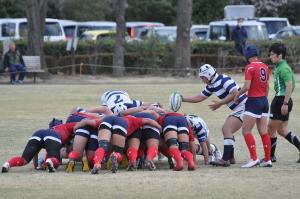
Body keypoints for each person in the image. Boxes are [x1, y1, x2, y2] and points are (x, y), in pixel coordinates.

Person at [181, 64, 247, 166]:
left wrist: (220, 103)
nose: (202, 80)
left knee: (226, 129)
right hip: (239, 108)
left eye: (202, 77)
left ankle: (225, 159)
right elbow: (199, 98)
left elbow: (235, 92)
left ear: (208, 75)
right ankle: (230, 157)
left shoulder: (223, 79)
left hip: (244, 106)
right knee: (228, 130)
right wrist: (182, 99)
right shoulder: (212, 85)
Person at [234, 44, 272, 168]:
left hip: (254, 101)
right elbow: (267, 86)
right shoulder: (265, 66)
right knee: (263, 131)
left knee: (246, 131)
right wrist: (264, 99)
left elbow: (247, 86)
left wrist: (237, 95)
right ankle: (267, 159)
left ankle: (254, 158)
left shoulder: (249, 67)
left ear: (247, 56)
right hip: (264, 101)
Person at [267, 43, 300, 163]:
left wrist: (285, 103)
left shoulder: (283, 68)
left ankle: (270, 157)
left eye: (272, 54)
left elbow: (289, 86)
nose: (270, 57)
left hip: (281, 100)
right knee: (282, 130)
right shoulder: (281, 66)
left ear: (279, 55)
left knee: (270, 128)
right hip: (282, 100)